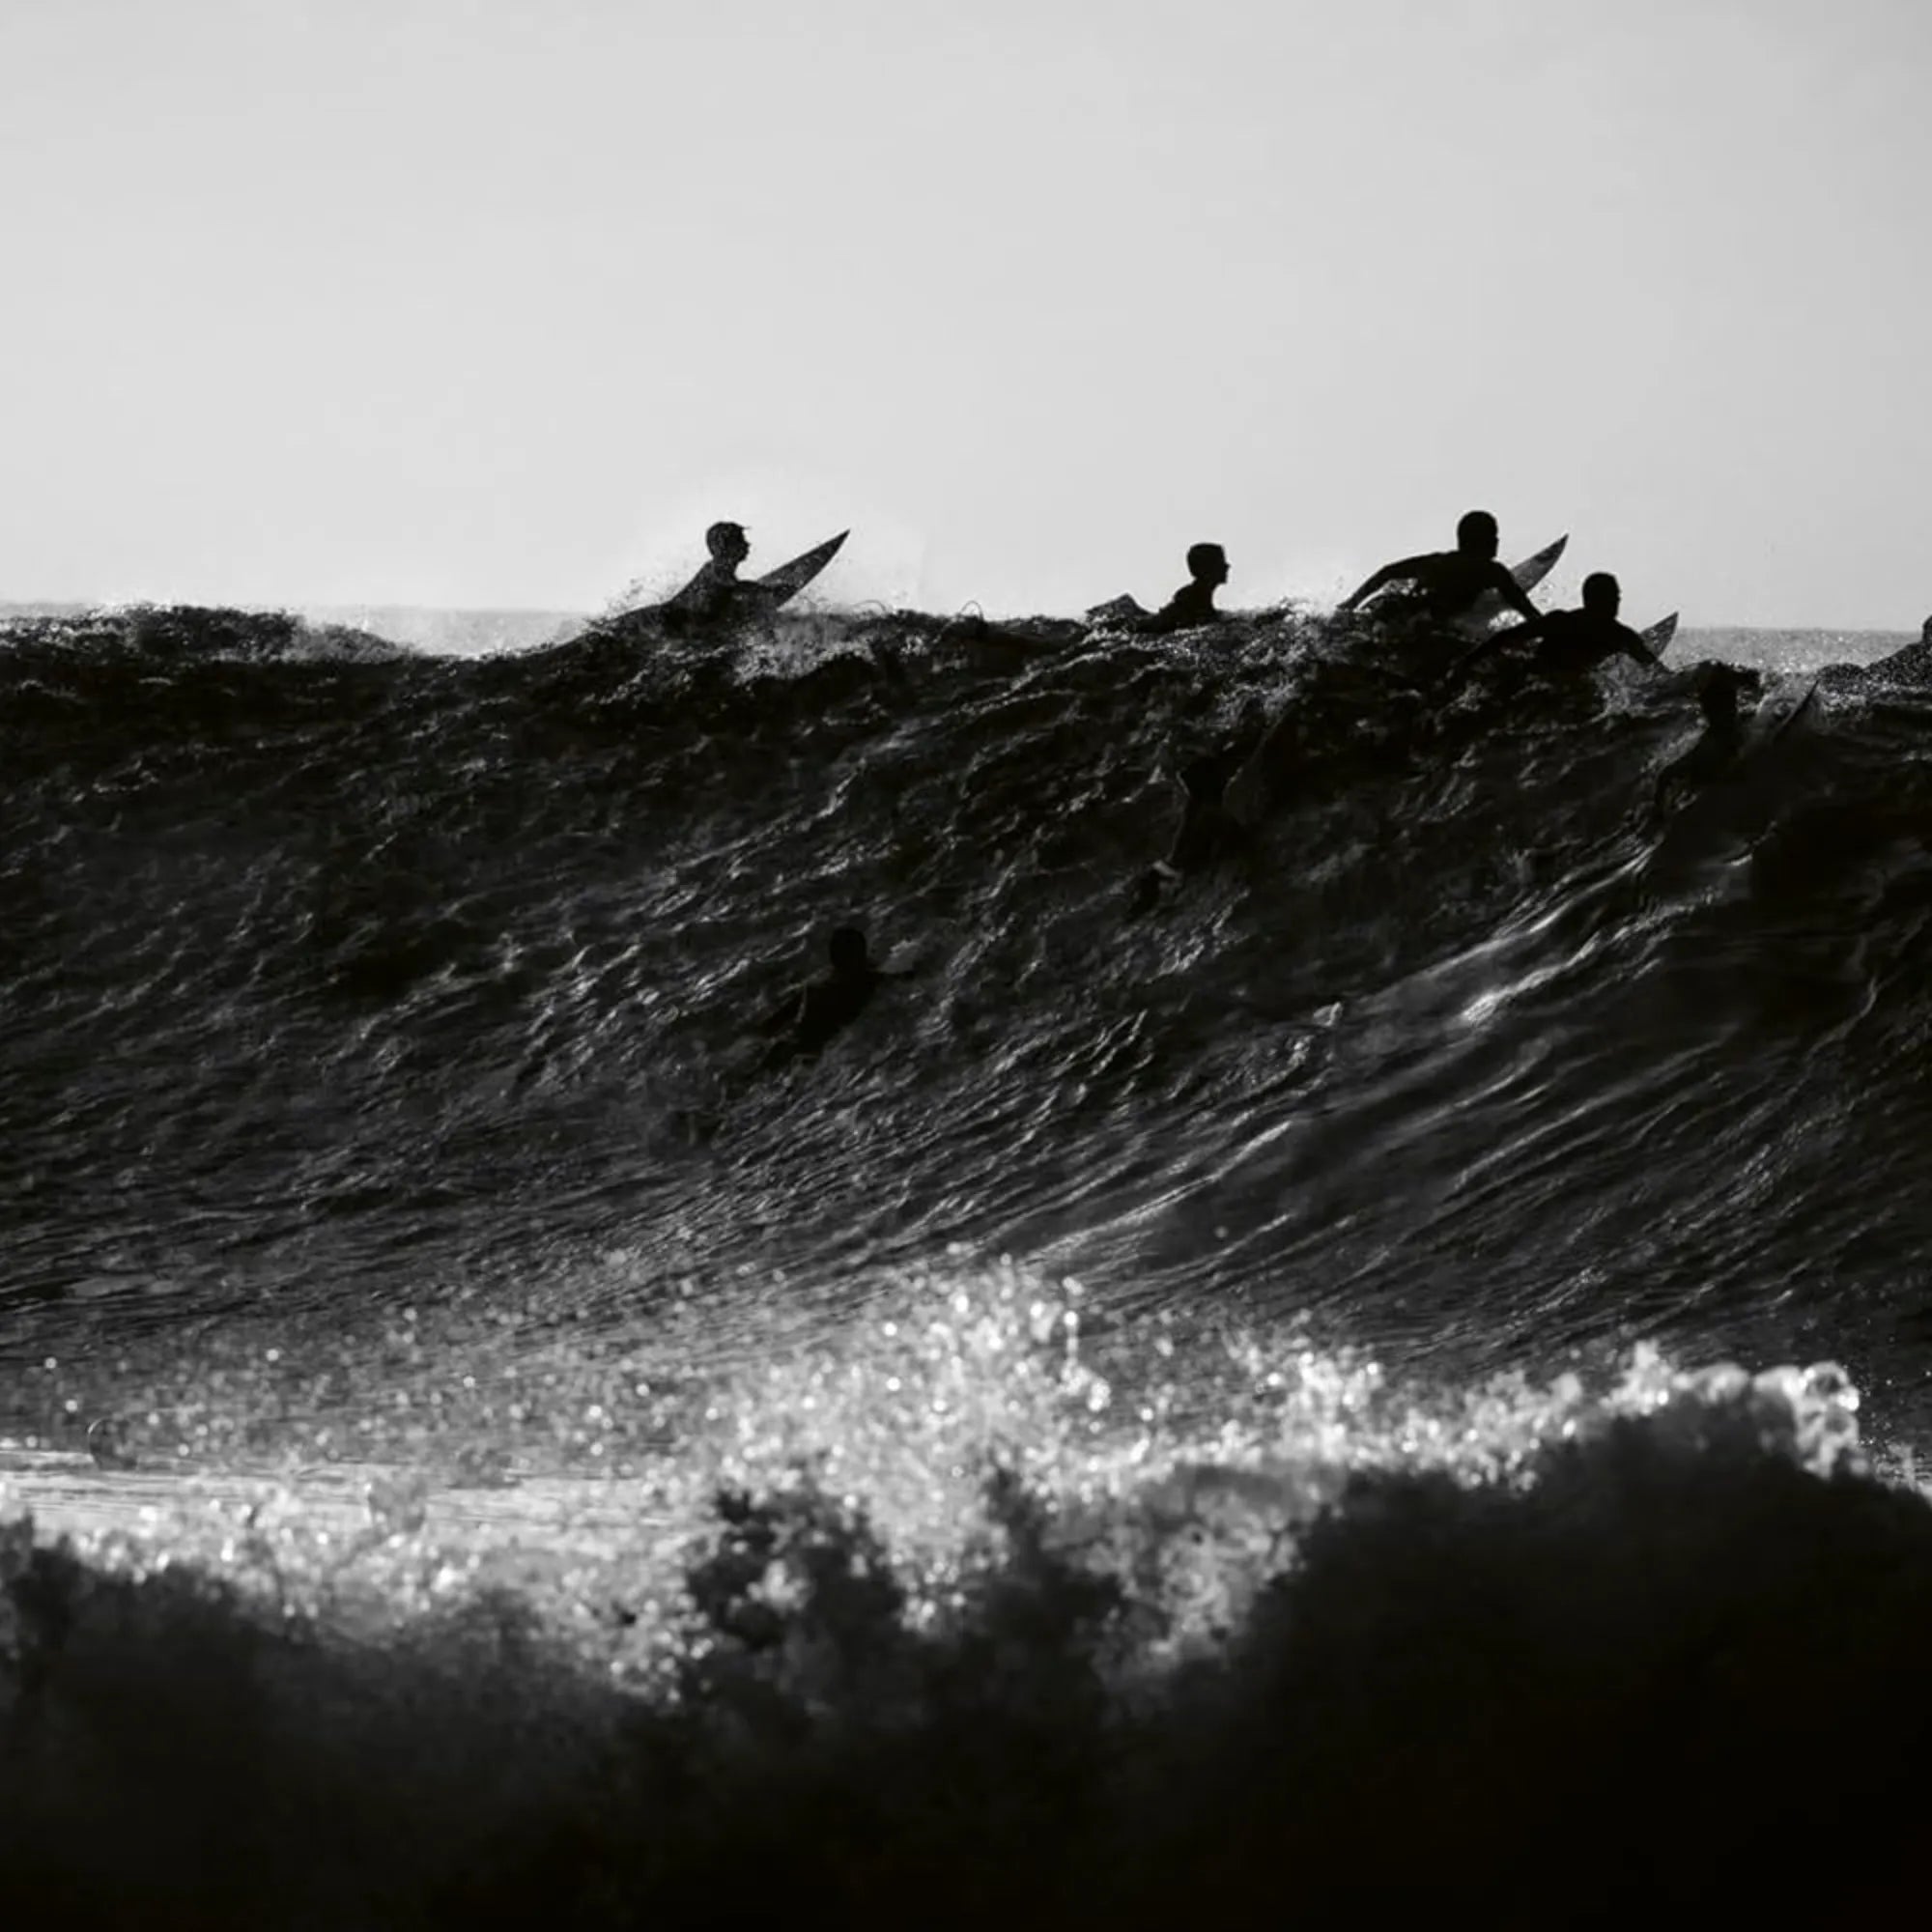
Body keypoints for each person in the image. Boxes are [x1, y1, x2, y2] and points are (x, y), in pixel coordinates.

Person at [1450, 572, 1667, 687]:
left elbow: (1654, 668)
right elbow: (1507, 636)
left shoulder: (1621, 635)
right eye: (1612, 598)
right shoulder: (1565, 621)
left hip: (1561, 686)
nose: (1617, 602)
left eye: (1616, 598)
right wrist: (1468, 662)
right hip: (1536, 681)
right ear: (1592, 600)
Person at [1337, 509, 1541, 627]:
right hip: (1426, 624)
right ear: (1482, 540)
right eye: (1493, 535)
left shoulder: (1438, 561)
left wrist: (1352, 602)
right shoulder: (1492, 571)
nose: (1497, 541)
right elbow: (1524, 608)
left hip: (1397, 610)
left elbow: (1388, 571)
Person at [757, 925, 909, 1066]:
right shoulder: (868, 981)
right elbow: (903, 979)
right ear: (861, 955)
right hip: (815, 1050)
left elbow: (768, 1027)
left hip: (792, 1047)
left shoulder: (813, 990)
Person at [1650, 665, 1747, 818]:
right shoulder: (1722, 683)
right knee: (1669, 776)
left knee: (1667, 776)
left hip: (1719, 744)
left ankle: (1660, 812)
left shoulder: (1719, 687)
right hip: (1719, 743)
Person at [1088, 543, 1233, 635]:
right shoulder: (1193, 596)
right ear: (1207, 568)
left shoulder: (1200, 594)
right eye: (1221, 562)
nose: (1227, 566)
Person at [662, 521, 758, 632]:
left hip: (668, 623)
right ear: (725, 547)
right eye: (740, 540)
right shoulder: (718, 572)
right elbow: (736, 588)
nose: (747, 544)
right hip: (661, 625)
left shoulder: (713, 568)